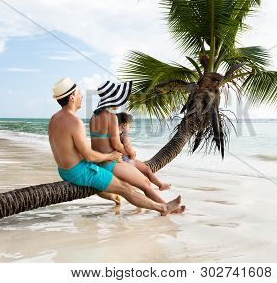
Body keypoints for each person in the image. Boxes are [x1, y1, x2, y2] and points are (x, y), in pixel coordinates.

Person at [48, 77, 181, 216]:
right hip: (79, 171)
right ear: (72, 98)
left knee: (126, 184)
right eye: (79, 93)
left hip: (64, 171)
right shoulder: (75, 121)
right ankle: (164, 208)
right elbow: (89, 155)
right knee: (127, 187)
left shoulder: (54, 119)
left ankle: (151, 204)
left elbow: (70, 149)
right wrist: (111, 156)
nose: (81, 96)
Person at [89, 80, 185, 213]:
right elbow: (116, 144)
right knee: (145, 183)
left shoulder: (94, 117)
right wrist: (127, 154)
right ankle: (169, 208)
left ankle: (168, 207)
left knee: (141, 182)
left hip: (99, 162)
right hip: (111, 163)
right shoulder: (111, 117)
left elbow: (100, 142)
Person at [115, 112, 171, 191]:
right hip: (128, 161)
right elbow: (128, 147)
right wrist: (132, 154)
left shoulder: (114, 136)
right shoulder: (124, 136)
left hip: (119, 162)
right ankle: (160, 185)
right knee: (147, 170)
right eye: (129, 126)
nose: (130, 128)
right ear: (124, 126)